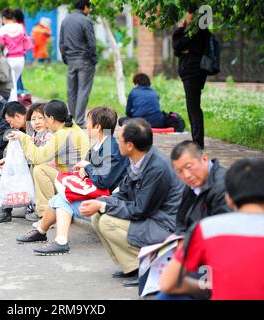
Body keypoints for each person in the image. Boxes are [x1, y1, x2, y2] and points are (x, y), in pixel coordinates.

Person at [79, 118, 184, 287]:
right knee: (98, 216)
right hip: (151, 216)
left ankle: (146, 268)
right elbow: (124, 192)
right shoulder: (138, 158)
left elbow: (139, 210)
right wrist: (101, 202)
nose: (116, 142)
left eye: (119, 139)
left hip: (166, 225)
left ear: (130, 146)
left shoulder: (157, 168)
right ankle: (131, 267)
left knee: (106, 221)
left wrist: (104, 205)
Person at [16, 107, 129, 255]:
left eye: (88, 122)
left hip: (108, 200)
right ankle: (41, 232)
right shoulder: (101, 143)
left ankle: (59, 241)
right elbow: (89, 171)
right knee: (60, 198)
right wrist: (86, 169)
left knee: (63, 200)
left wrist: (87, 167)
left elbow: (103, 181)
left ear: (98, 127)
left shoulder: (110, 148)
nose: (86, 126)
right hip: (98, 192)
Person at [160, 157, 264, 300]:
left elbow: (167, 283)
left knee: (167, 297)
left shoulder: (206, 229)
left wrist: (207, 288)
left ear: (228, 198)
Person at [6, 100, 90, 222]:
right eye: (34, 119)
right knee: (39, 167)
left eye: (43, 117)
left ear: (51, 118)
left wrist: (23, 137)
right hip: (76, 176)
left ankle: (47, 214)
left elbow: (38, 157)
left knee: (40, 169)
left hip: (75, 180)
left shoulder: (62, 134)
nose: (40, 121)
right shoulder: (70, 127)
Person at [171, 140, 231, 234]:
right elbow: (181, 220)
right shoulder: (193, 184)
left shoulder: (223, 187)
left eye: (189, 167)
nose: (187, 175)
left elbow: (221, 232)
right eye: (179, 171)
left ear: (204, 159)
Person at [172, 5, 210, 149]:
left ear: (191, 15)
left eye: (187, 13)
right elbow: (177, 48)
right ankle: (197, 140)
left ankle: (198, 142)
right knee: (194, 106)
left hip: (192, 72)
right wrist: (183, 49)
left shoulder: (195, 30)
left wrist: (182, 29)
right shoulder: (201, 30)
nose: (185, 16)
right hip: (196, 72)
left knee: (193, 107)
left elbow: (176, 44)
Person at [59, 0, 97, 128]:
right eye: (89, 7)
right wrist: (93, 58)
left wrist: (65, 58)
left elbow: (61, 42)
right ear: (85, 7)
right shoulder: (86, 21)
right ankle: (79, 121)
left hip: (71, 60)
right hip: (85, 60)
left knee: (71, 90)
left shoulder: (65, 20)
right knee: (83, 90)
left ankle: (74, 118)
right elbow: (91, 42)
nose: (90, 10)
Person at [0, 8, 30, 102]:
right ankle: (13, 102)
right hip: (20, 59)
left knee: (11, 84)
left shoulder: (3, 29)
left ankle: (13, 104)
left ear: (4, 18)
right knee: (14, 82)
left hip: (10, 59)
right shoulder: (20, 27)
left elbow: (2, 44)